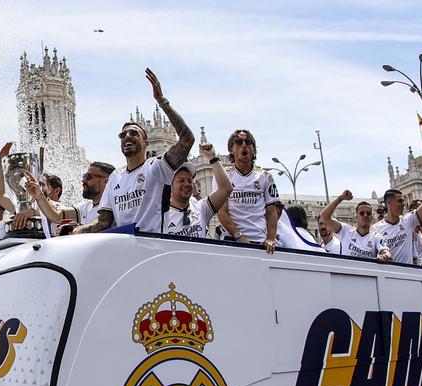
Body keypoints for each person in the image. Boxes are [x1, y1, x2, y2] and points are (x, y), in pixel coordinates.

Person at [72, 69, 194, 234]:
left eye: (133, 133)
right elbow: (104, 222)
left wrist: (162, 101)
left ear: (146, 143)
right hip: (126, 250)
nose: (127, 136)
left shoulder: (157, 167)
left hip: (154, 247)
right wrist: (78, 230)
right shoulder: (115, 177)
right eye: (123, 135)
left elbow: (187, 139)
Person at [213, 129, 283, 253]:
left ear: (254, 149)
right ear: (231, 149)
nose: (244, 145)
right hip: (232, 239)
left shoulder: (265, 176)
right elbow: (222, 213)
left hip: (260, 242)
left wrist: (271, 238)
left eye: (248, 142)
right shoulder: (223, 176)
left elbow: (272, 211)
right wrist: (239, 236)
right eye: (239, 142)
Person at [372, 157, 422, 265]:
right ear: (389, 202)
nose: (403, 204)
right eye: (400, 201)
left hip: (407, 275)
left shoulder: (408, 220)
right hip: (388, 276)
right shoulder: (376, 229)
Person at [160, 142, 232, 238]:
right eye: (181, 180)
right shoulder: (161, 216)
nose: (187, 184)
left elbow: (226, 189)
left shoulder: (201, 208)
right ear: (170, 185)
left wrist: (212, 158)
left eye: (189, 180)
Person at [319, 192, 382, 260]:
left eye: (368, 213)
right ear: (356, 216)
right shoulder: (346, 231)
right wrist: (340, 198)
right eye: (361, 213)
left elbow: (385, 251)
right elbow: (324, 216)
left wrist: (384, 256)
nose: (365, 215)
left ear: (371, 218)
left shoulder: (376, 237)